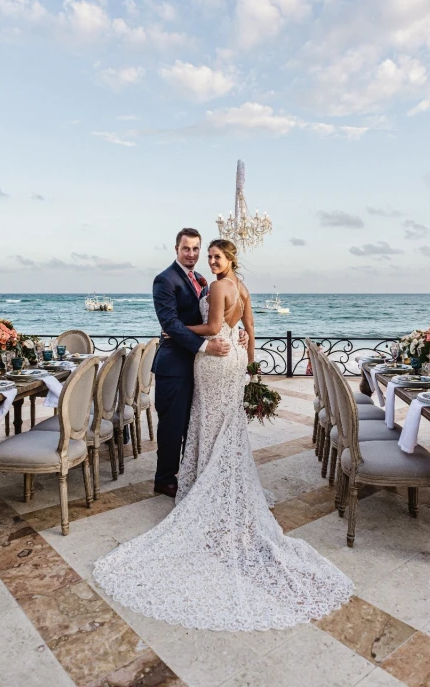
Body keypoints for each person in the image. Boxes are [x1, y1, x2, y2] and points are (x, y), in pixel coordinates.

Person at [93, 239, 353, 631]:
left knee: (208, 422)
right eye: (201, 252)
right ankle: (202, 477)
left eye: (214, 254)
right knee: (220, 425)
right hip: (226, 360)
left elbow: (214, 326)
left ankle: (202, 482)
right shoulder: (235, 286)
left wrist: (176, 333)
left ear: (229, 258)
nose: (207, 258)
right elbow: (247, 326)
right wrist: (249, 364)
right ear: (181, 250)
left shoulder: (213, 284)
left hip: (213, 360)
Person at [150, 227, 247, 497]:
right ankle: (165, 479)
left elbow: (214, 317)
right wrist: (207, 344)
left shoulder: (203, 280)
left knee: (193, 423)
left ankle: (191, 471)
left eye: (195, 249)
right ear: (176, 249)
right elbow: (169, 323)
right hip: (174, 366)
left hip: (201, 366)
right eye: (186, 249)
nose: (191, 254)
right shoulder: (165, 280)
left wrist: (236, 330)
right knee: (172, 425)